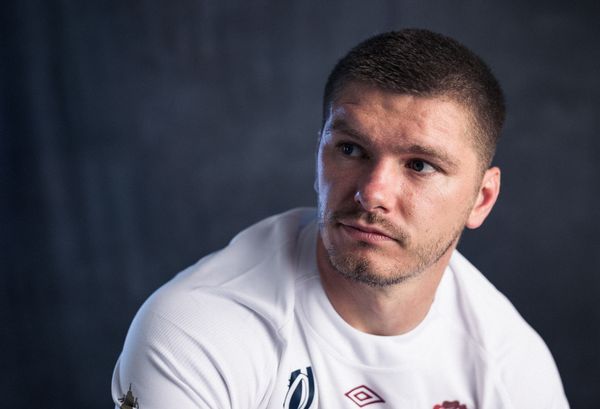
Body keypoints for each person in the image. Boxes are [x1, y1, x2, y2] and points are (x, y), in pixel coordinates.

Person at [111, 28, 569, 409]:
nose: (372, 193)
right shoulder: (198, 329)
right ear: (319, 154)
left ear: (481, 199)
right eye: (351, 150)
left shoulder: (511, 369)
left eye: (420, 165)